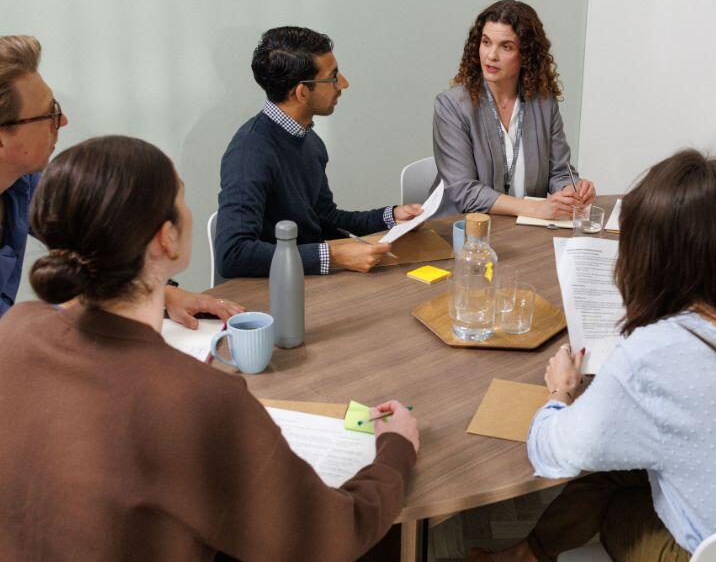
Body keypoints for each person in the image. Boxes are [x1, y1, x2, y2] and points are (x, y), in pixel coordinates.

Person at [0, 135, 420, 559]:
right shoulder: (197, 400)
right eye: (183, 198)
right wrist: (396, 447)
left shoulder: (15, 330)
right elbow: (332, 536)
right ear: (166, 239)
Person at [477, 151, 716, 561]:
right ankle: (528, 553)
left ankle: (528, 554)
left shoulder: (653, 355)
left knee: (615, 495)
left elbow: (555, 454)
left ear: (646, 255)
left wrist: (559, 392)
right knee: (626, 460)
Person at [0, 34, 238, 326]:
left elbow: (99, 237)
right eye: (50, 113)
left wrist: (164, 292)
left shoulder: (25, 184)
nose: (63, 122)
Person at [217, 26, 423, 278]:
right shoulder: (249, 153)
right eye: (333, 77)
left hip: (310, 280)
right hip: (274, 291)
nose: (344, 84)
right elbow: (233, 254)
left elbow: (323, 218)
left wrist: (389, 217)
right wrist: (334, 256)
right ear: (302, 92)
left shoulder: (307, 138)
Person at [432, 0, 595, 219]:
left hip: (522, 230)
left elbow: (559, 171)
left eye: (506, 46)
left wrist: (572, 191)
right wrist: (535, 209)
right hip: (461, 228)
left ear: (526, 55)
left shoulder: (544, 103)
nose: (491, 55)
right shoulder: (451, 105)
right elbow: (464, 191)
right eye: (486, 42)